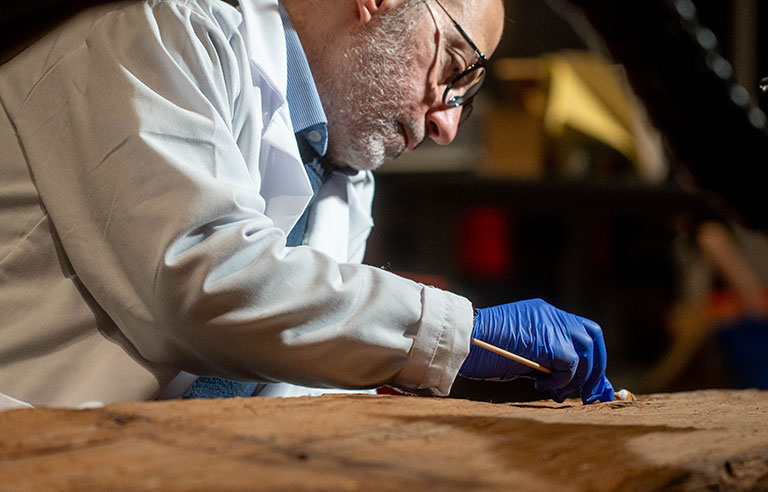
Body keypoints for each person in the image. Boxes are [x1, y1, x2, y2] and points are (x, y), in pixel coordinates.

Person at [0, 0, 614, 410]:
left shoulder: (343, 174)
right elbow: (199, 278)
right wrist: (454, 337)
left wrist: (436, 373)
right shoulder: (158, 30)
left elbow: (288, 368)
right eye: (454, 68)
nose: (448, 122)